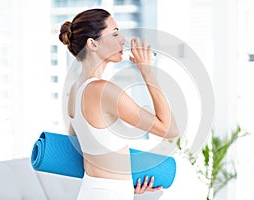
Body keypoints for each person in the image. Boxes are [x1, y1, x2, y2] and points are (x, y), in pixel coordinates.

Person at [59, 8, 179, 200]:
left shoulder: (75, 89)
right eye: (114, 33)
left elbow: (87, 151)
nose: (122, 40)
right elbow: (169, 129)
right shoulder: (103, 90)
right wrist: (147, 71)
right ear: (92, 44)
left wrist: (125, 182)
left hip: (95, 191)